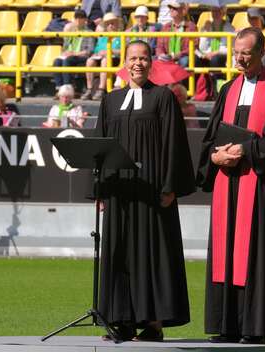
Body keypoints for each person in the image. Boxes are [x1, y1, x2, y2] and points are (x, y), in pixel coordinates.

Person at [196, 27, 265, 344]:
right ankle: (227, 325)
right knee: (226, 250)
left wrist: (244, 151)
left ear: (261, 51)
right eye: (237, 51)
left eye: (246, 52)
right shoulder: (227, 88)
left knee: (253, 254)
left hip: (257, 186)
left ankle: (253, 327)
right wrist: (215, 155)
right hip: (228, 183)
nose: (239, 57)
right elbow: (211, 134)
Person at [94, 40, 195, 341]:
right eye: (132, 58)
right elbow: (100, 145)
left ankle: (153, 324)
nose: (138, 63)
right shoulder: (110, 100)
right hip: (119, 192)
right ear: (124, 63)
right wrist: (100, 189)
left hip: (152, 191)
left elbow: (174, 143)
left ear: (151, 63)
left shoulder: (163, 97)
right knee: (120, 253)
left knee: (151, 254)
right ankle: (122, 319)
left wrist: (170, 186)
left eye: (143, 58)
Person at [53, 10, 95, 94]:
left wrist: (74, 53)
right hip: (70, 55)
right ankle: (59, 89)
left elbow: (89, 51)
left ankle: (67, 89)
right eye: (76, 18)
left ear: (85, 19)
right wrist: (66, 52)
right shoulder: (71, 31)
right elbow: (66, 47)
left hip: (81, 55)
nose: (78, 20)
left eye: (81, 18)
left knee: (67, 60)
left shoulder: (89, 32)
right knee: (57, 61)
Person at [82, 13, 121, 101]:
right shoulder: (103, 37)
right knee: (90, 61)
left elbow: (123, 51)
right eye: (108, 24)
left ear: (117, 24)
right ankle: (89, 89)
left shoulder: (121, 36)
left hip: (116, 59)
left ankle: (101, 89)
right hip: (101, 58)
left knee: (105, 60)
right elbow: (97, 50)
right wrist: (98, 53)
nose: (110, 25)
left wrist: (109, 51)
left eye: (113, 23)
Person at [155, 0, 198, 69]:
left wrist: (177, 55)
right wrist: (161, 55)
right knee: (153, 60)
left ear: (183, 11)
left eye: (174, 8)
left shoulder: (191, 27)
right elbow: (159, 46)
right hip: (168, 57)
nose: (171, 10)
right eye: (170, 8)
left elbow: (193, 47)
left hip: (182, 57)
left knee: (185, 61)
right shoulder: (166, 27)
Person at [197, 6, 235, 76]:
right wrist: (206, 31)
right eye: (214, 11)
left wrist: (216, 52)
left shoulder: (230, 28)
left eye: (219, 11)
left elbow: (232, 49)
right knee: (195, 60)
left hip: (223, 56)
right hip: (208, 56)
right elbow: (202, 48)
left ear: (223, 13)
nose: (216, 13)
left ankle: (215, 82)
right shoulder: (206, 27)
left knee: (215, 59)